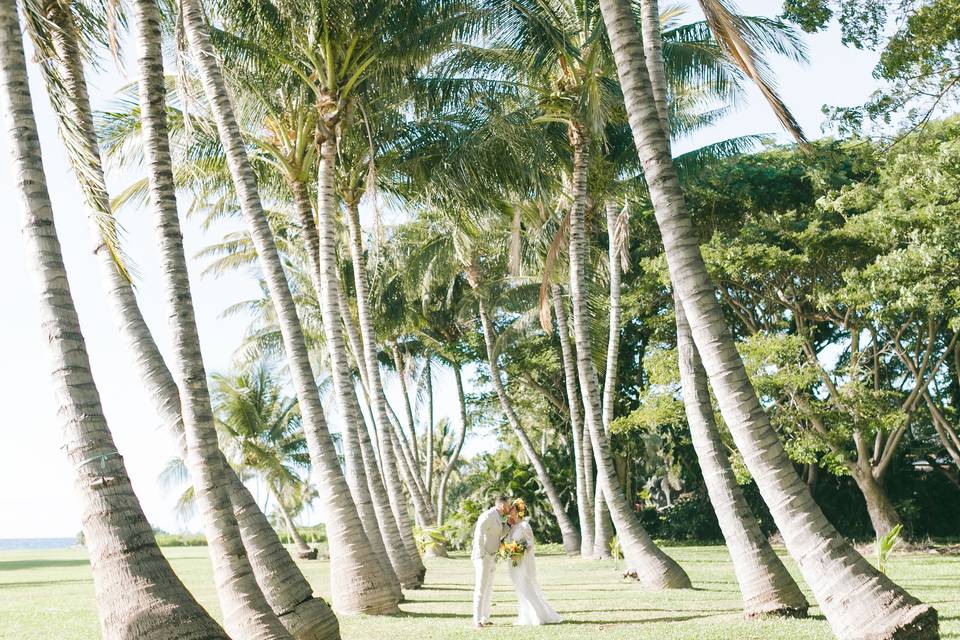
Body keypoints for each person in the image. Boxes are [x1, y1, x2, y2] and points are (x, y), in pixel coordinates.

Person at [505, 498, 562, 626]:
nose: (509, 511)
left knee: (527, 587)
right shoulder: (510, 526)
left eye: (512, 509)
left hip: (523, 560)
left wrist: (520, 550)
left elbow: (530, 543)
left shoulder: (525, 525)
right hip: (513, 562)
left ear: (518, 511)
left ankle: (538, 616)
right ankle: (526, 617)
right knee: (520, 589)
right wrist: (509, 551)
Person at [471, 495, 511, 628]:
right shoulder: (488, 515)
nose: (510, 507)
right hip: (483, 557)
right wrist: (481, 553)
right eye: (509, 505)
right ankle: (476, 621)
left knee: (489, 588)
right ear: (502, 505)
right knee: (481, 588)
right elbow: (479, 533)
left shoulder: (499, 518)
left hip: (493, 557)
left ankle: (485, 618)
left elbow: (499, 535)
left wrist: (509, 524)